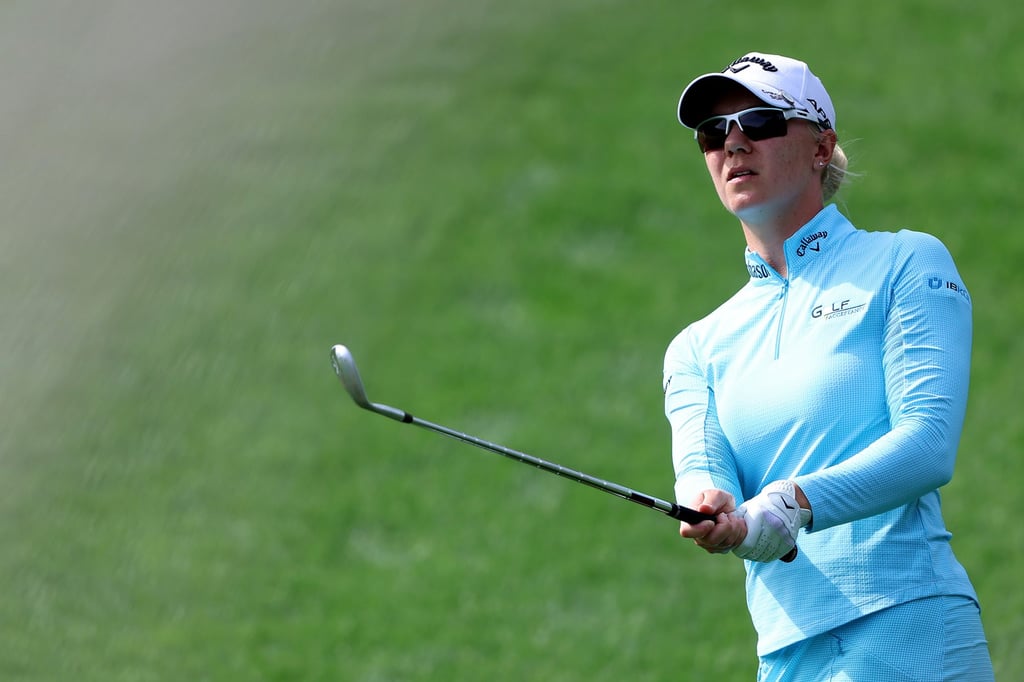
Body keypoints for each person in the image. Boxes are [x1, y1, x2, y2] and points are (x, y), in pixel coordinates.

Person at [662, 52, 995, 681]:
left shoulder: (905, 264)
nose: (733, 144)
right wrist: (711, 510)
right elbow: (702, 473)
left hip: (912, 621)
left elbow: (927, 447)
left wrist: (791, 503)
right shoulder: (697, 347)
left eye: (758, 122)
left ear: (821, 147)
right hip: (788, 653)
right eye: (713, 134)